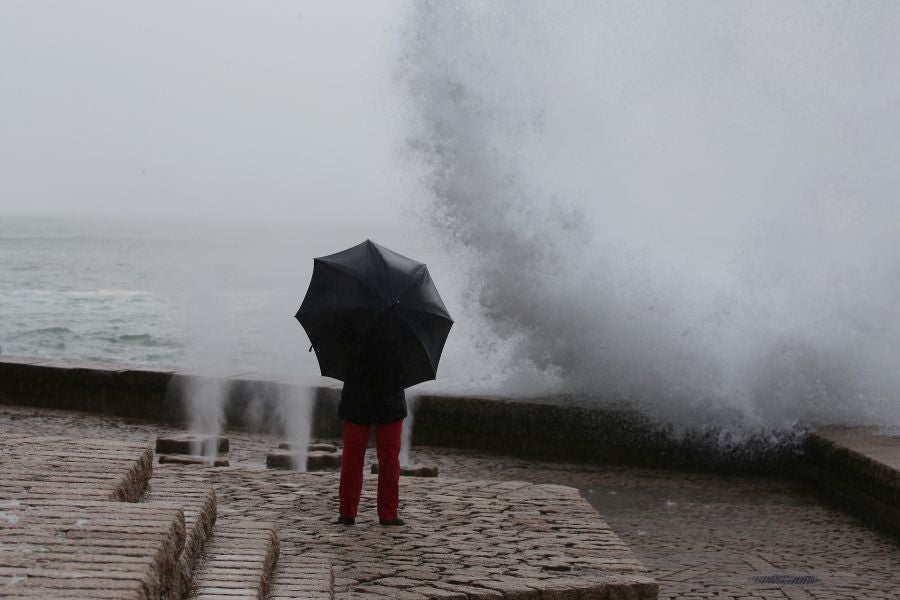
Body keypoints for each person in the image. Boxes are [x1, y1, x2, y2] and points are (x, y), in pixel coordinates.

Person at [336, 345, 407, 526]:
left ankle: (347, 512)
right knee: (389, 458)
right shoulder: (400, 323)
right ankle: (388, 513)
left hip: (356, 395)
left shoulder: (348, 321)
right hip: (390, 394)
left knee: (352, 456)